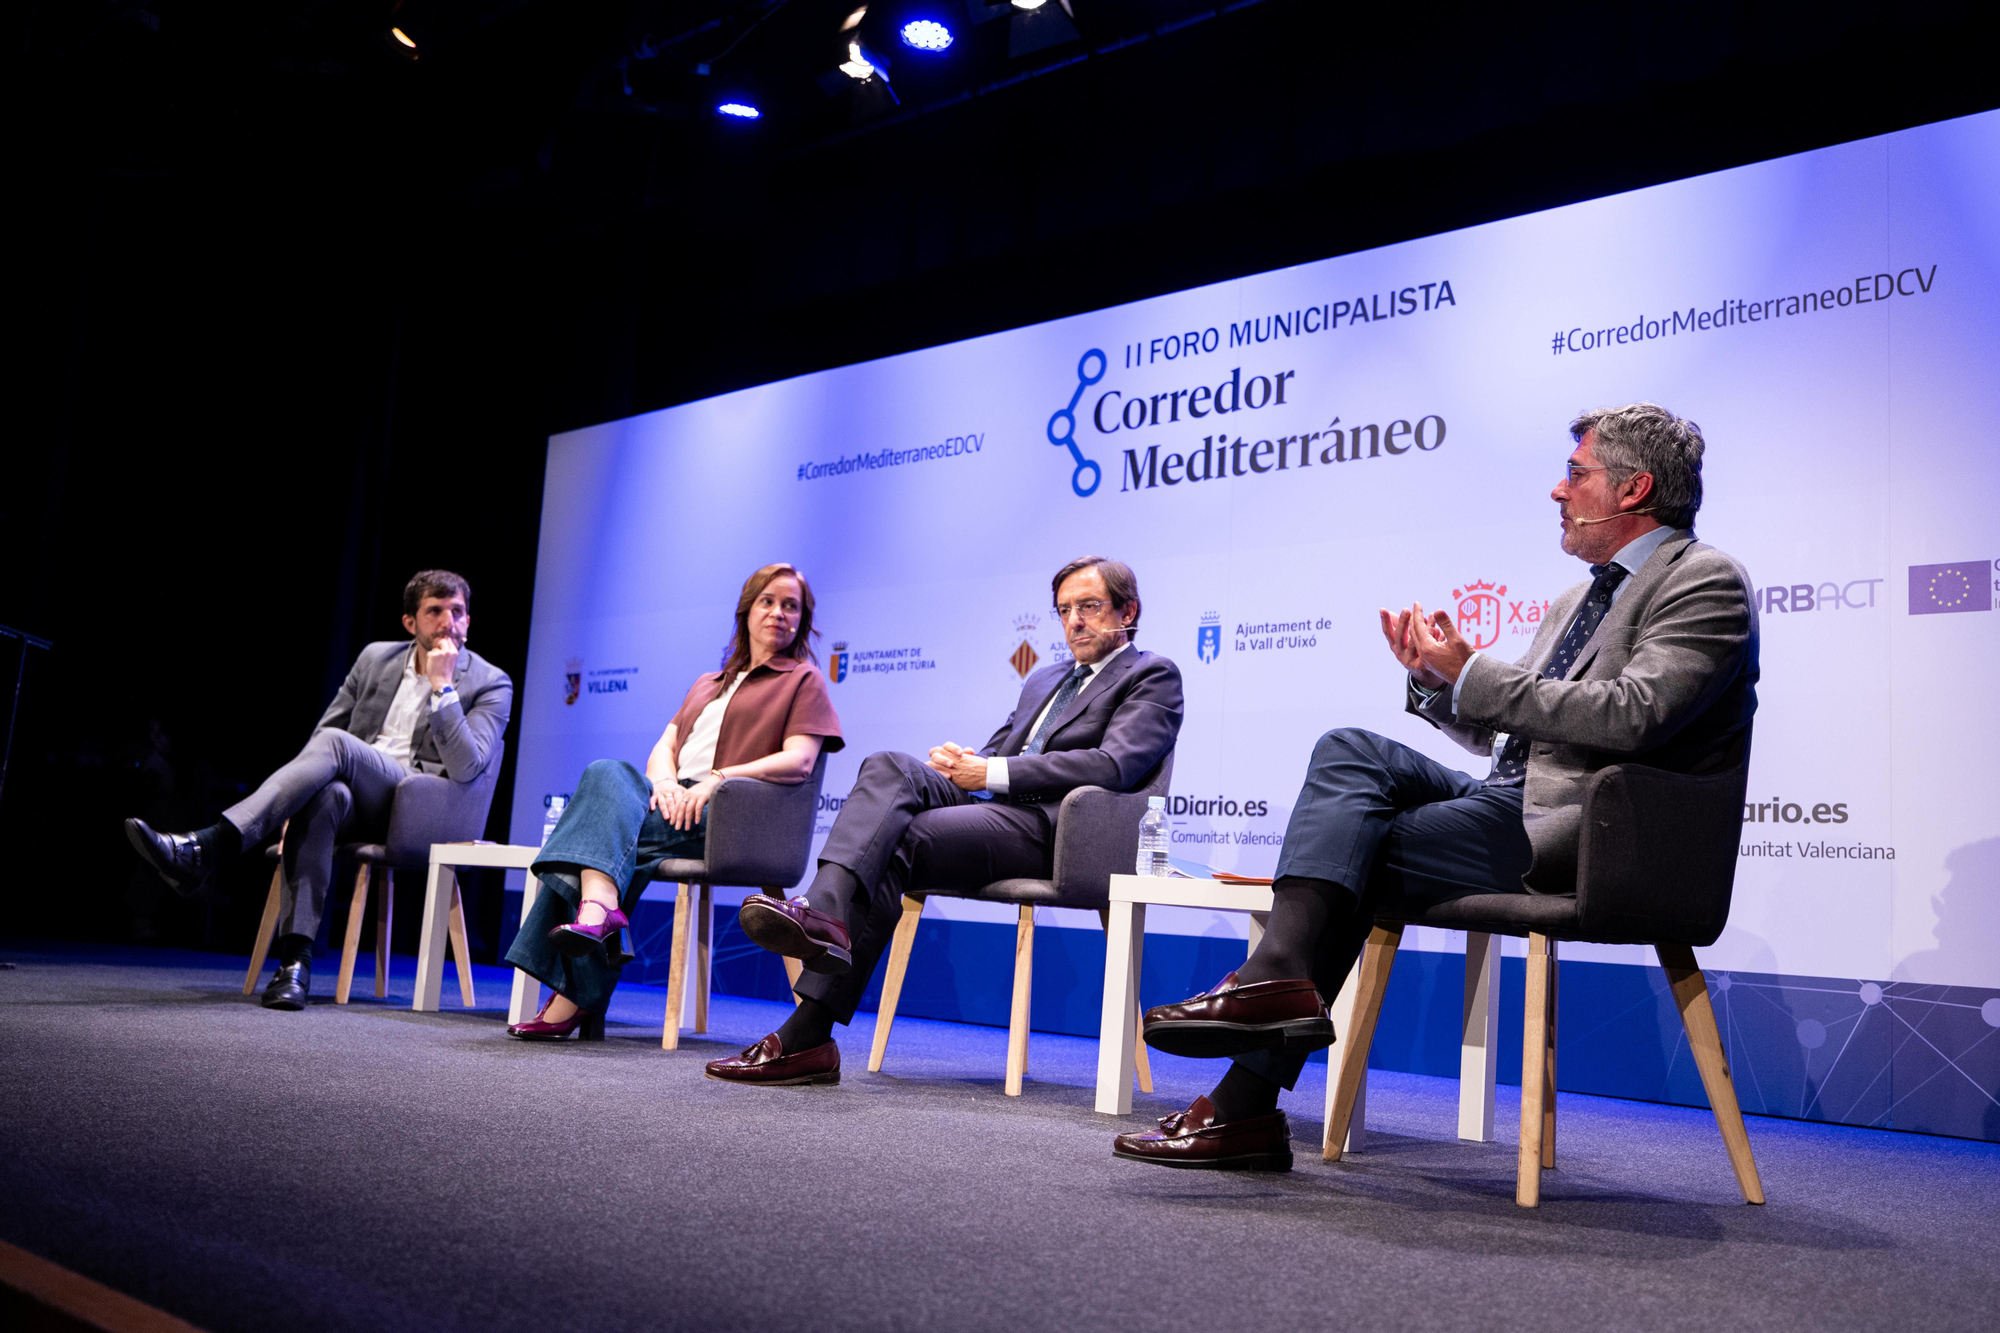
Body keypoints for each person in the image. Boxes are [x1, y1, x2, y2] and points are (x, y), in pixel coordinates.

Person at [1116, 403, 1758, 1170]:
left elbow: (1636, 714)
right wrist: (1435, 683)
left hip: (1591, 832)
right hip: (1511, 796)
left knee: (1361, 849)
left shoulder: (1704, 580)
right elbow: (1509, 733)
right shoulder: (1573, 600)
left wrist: (1476, 674)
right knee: (1349, 749)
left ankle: (1248, 1080)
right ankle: (1274, 992)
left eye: (1575, 474)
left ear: (1633, 489)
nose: (1558, 491)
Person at [711, 555, 1184, 1087]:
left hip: (1059, 830)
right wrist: (964, 763)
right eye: (1065, 610)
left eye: (1090, 607)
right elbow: (1002, 749)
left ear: (1128, 611)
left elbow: (1115, 765)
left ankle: (808, 1030)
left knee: (899, 839)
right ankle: (823, 921)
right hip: (998, 808)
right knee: (889, 766)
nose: (1074, 621)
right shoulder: (1046, 678)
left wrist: (992, 770)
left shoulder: (1151, 674)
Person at [126, 570, 514, 1010]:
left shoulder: (489, 682)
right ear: (410, 622)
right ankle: (295, 966)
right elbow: (327, 728)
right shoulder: (376, 660)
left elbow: (467, 767)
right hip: (359, 794)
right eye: (435, 611)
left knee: (334, 746)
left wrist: (442, 688)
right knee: (325, 796)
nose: (448, 622)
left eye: (458, 612)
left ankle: (208, 847)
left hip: (422, 806)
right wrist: (295, 794)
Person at [504, 563, 843, 1040]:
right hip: (674, 800)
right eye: (768, 601)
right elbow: (664, 746)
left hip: (731, 813)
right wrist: (664, 785)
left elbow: (799, 761)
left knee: (595, 844)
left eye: (791, 606)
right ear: (747, 611)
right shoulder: (710, 681)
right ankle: (597, 910)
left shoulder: (802, 679)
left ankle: (578, 977)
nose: (778, 613)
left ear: (802, 620)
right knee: (607, 772)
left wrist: (718, 780)